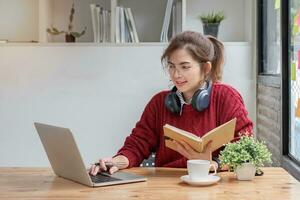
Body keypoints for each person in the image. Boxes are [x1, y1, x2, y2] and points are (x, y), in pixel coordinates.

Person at [89, 31, 253, 176]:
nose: (176, 74)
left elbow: (245, 152)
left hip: (212, 186)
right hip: (166, 187)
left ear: (206, 68)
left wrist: (213, 163)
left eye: (185, 67)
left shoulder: (226, 98)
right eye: (171, 66)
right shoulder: (158, 103)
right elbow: (137, 145)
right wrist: (116, 162)